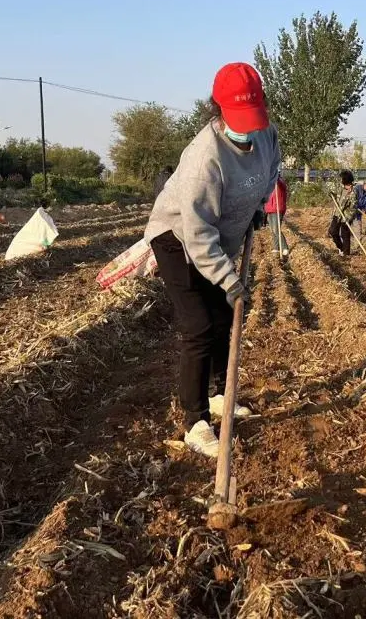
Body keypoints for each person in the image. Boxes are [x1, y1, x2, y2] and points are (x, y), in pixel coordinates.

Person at [144, 62, 280, 458]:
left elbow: (271, 171)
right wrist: (229, 278)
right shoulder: (205, 157)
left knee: (223, 318)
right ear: (217, 110)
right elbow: (199, 234)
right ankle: (195, 421)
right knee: (199, 326)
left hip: (219, 237)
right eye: (239, 120)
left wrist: (258, 205)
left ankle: (223, 394)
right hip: (179, 239)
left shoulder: (267, 135)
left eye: (254, 119)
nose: (249, 129)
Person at [329, 170, 358, 256]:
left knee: (345, 235)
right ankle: (341, 247)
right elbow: (334, 194)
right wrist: (330, 194)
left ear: (346, 179)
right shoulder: (340, 188)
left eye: (342, 178)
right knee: (332, 231)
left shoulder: (353, 193)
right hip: (337, 214)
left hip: (346, 216)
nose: (340, 179)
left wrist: (348, 218)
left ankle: (346, 253)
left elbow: (353, 208)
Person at [264, 175, 289, 257]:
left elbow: (282, 186)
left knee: (276, 229)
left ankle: (285, 247)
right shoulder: (269, 185)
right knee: (272, 230)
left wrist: (276, 178)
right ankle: (276, 248)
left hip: (277, 208)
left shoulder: (280, 182)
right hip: (269, 209)